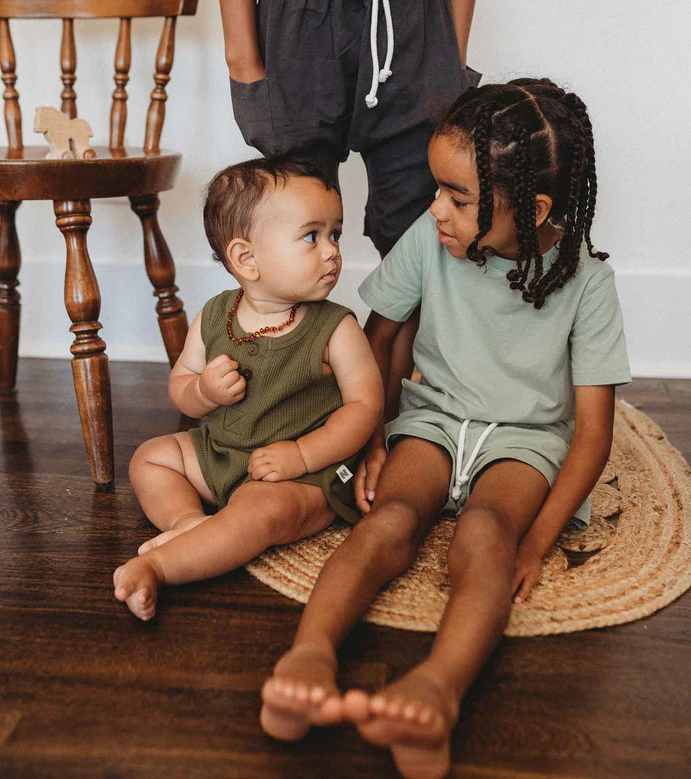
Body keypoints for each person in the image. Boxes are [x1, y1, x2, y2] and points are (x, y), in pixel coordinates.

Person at [259, 79, 631, 779]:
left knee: (486, 536)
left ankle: (437, 687)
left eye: (457, 198)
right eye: (438, 190)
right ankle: (308, 652)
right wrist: (372, 437)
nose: (436, 209)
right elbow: (378, 340)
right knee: (388, 519)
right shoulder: (432, 240)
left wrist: (538, 541)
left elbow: (589, 433)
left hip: (524, 440)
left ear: (534, 207)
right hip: (432, 420)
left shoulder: (586, 283)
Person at [218, 0, 481, 418]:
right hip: (298, 10)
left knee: (417, 223)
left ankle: (393, 408)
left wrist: (451, 56)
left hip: (411, 7)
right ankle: (288, 402)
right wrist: (242, 54)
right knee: (291, 216)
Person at [113, 156, 383, 621]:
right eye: (311, 236)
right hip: (223, 451)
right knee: (150, 458)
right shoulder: (216, 314)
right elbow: (179, 386)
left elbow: (365, 405)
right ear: (246, 258)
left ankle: (158, 566)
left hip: (302, 476)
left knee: (257, 514)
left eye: (335, 234)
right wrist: (204, 393)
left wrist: (300, 455)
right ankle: (188, 524)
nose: (333, 251)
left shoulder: (335, 327)